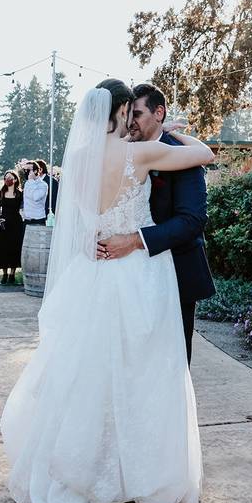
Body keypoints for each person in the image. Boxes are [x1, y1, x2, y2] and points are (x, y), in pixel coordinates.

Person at [1, 81, 215, 503]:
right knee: (143, 371)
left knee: (89, 373)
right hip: (138, 274)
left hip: (92, 273)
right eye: (130, 112)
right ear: (120, 112)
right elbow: (207, 155)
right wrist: (176, 133)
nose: (134, 120)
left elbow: (79, 227)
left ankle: (83, 468)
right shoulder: (140, 154)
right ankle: (135, 473)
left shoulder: (76, 162)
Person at [97, 83, 217, 364]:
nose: (131, 122)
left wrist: (135, 240)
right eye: (129, 113)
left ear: (159, 112)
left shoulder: (178, 153)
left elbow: (193, 220)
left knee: (168, 365)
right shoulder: (121, 150)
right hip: (119, 277)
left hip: (174, 272)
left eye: (137, 114)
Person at [0, 171, 24, 284]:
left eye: (10, 177)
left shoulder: (19, 193)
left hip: (16, 223)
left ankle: (12, 274)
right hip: (4, 224)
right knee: (3, 248)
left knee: (14, 248)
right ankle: (4, 274)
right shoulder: (1, 192)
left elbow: (23, 208)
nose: (7, 179)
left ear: (15, 180)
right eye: (5, 177)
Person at [20, 160, 48, 225]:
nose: (26, 172)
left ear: (35, 171)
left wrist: (31, 181)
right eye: (25, 170)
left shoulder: (43, 185)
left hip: (38, 219)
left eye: (28, 170)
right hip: (27, 219)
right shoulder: (27, 183)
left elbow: (36, 197)